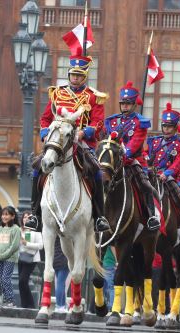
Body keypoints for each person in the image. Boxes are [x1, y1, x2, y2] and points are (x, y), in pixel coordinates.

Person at [27, 50, 110, 233]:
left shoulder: (93, 96)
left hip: (82, 143)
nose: (76, 78)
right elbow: (45, 118)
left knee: (96, 170)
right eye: (73, 74)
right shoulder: (57, 94)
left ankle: (99, 217)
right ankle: (35, 214)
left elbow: (98, 122)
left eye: (80, 75)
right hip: (58, 140)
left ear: (85, 76)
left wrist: (84, 133)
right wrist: (46, 133)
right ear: (69, 74)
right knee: (37, 167)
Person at [103, 81, 160, 231]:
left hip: (133, 161)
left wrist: (124, 154)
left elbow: (135, 143)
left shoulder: (140, 123)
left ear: (135, 105)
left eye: (128, 104)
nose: (125, 107)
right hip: (114, 161)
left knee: (146, 186)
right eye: (123, 104)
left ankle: (151, 216)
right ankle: (97, 215)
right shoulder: (113, 121)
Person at [146, 102, 180, 237]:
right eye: (165, 126)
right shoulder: (154, 142)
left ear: (175, 127)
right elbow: (146, 155)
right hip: (152, 174)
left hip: (170, 177)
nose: (166, 129)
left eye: (170, 127)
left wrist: (167, 173)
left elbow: (179, 163)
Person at [0, 206, 21, 307]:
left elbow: (14, 246)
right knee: (1, 279)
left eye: (6, 214)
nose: (4, 216)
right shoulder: (1, 228)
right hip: (0, 258)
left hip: (9, 258)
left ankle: (11, 300)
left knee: (5, 278)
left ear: (13, 216)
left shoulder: (16, 229)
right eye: (3, 214)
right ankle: (5, 298)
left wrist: (1, 256)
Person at [18, 211, 43, 309]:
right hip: (21, 258)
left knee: (23, 280)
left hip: (31, 259)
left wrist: (26, 244)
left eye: (29, 218)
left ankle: (31, 305)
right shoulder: (19, 230)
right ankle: (24, 305)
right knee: (21, 283)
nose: (26, 219)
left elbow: (41, 246)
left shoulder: (35, 231)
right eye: (24, 217)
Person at [53, 236, 70, 313]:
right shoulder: (66, 236)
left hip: (55, 260)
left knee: (61, 284)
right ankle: (59, 305)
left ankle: (62, 305)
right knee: (61, 283)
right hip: (64, 261)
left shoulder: (55, 235)